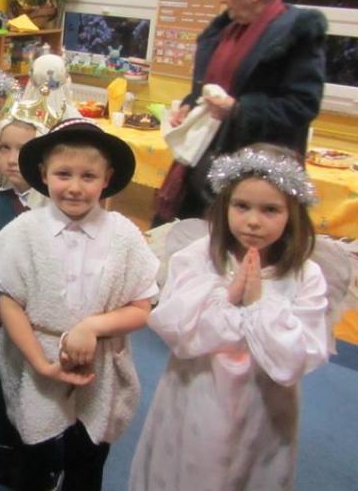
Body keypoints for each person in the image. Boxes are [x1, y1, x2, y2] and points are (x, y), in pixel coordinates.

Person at [130, 144, 329, 491]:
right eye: (242, 206)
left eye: (270, 210)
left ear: (293, 213)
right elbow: (174, 328)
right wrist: (225, 298)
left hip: (262, 405)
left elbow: (295, 359)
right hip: (196, 392)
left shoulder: (304, 276)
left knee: (247, 471)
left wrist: (259, 304)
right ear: (225, 205)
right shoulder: (200, 256)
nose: (253, 221)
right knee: (189, 468)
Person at [0, 118, 159, 491]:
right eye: (64, 174)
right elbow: (10, 303)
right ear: (43, 174)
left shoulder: (123, 235)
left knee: (87, 459)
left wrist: (91, 327)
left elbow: (141, 307)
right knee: (33, 458)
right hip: (38, 361)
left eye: (88, 176)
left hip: (99, 366)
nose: (75, 187)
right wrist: (40, 363)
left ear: (107, 178)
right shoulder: (24, 231)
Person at [156, 0, 327, 222]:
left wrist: (239, 110)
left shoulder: (297, 34)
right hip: (207, 162)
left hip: (258, 173)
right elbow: (214, 84)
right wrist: (191, 103)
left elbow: (302, 106)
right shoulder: (227, 30)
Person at [0, 98, 53, 486]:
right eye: (5, 148)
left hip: (39, 319)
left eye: (24, 150)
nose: (13, 159)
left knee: (35, 389)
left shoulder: (51, 209)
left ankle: (37, 459)